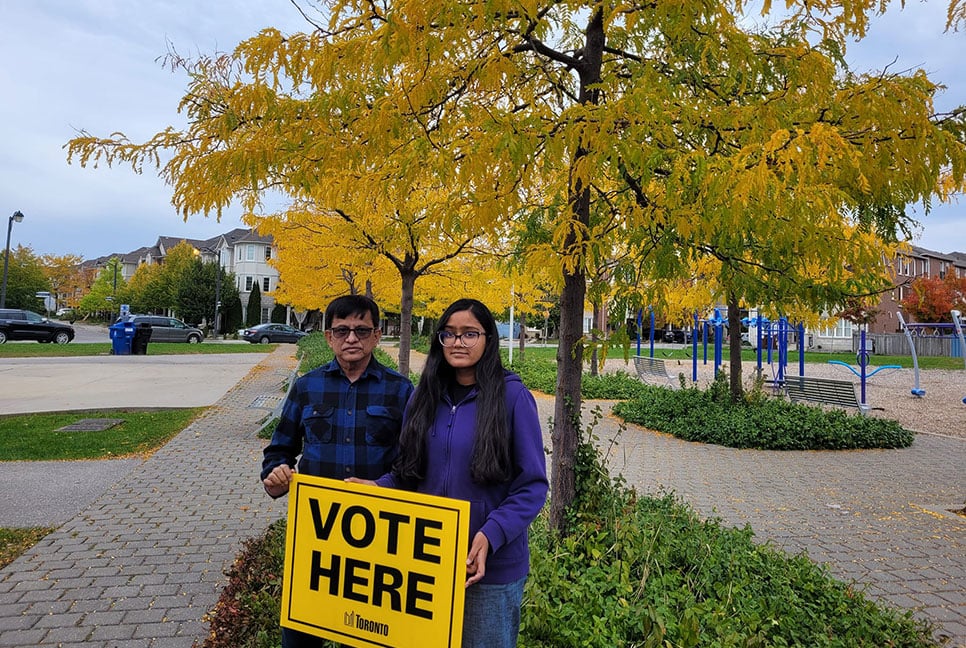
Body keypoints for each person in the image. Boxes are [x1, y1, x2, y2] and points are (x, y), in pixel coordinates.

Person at [350, 298, 548, 648]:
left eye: (470, 334)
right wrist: (376, 488)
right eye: (450, 334)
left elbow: (531, 486)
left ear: (488, 339)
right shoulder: (424, 396)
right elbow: (408, 471)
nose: (458, 342)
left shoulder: (513, 397)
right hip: (426, 563)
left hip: (488, 572)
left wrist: (491, 534)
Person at [261, 294, 414, 648]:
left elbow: (415, 462)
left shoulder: (401, 391)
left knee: (366, 639)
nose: (351, 339)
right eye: (342, 330)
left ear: (377, 335)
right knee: (301, 638)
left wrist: (384, 485)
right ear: (328, 336)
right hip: (316, 539)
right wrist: (276, 475)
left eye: (362, 330)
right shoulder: (307, 387)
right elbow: (279, 450)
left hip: (378, 543)